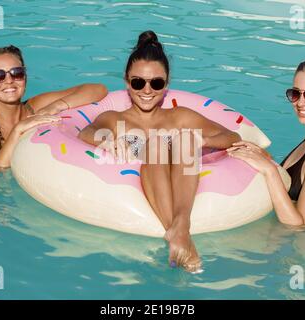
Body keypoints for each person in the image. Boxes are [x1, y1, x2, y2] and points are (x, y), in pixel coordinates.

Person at [78, 31, 241, 273]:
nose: (147, 90)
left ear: (166, 83)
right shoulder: (114, 119)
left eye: (156, 83)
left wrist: (200, 139)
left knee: (184, 137)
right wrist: (106, 141)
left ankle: (180, 226)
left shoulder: (180, 116)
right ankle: (178, 232)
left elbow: (231, 136)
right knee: (156, 145)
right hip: (147, 178)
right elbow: (84, 132)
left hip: (180, 176)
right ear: (126, 82)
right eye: (137, 82)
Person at [227, 57, 305, 226]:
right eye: (296, 93)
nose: (300, 102)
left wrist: (270, 170)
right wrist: (264, 157)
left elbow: (299, 222)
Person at [0, 45, 108, 171]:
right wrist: (18, 130)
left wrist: (56, 106)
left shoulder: (36, 107)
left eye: (17, 73)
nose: (9, 80)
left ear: (25, 78)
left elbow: (98, 89)